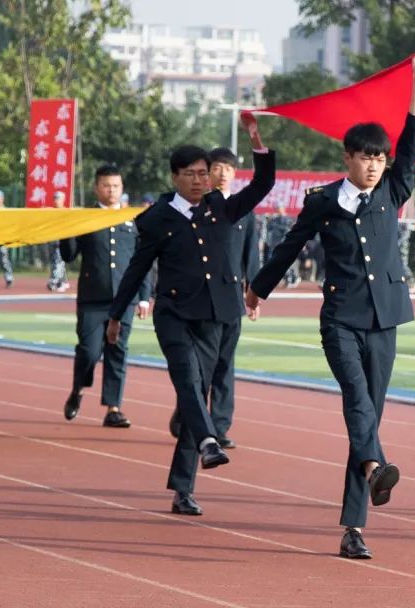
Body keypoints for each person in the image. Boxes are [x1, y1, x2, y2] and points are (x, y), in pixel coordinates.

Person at [246, 52, 415, 559]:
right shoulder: (323, 202)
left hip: (385, 319)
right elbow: (288, 247)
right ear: (347, 157)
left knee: (366, 420)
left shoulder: (393, 189)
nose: (373, 166)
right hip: (340, 321)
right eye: (364, 157)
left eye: (379, 159)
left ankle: (355, 526)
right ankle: (374, 470)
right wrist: (258, 289)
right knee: (358, 402)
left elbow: (413, 143)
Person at [106, 118, 275, 517]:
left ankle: (183, 488)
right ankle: (208, 442)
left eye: (204, 173)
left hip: (214, 316)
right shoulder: (156, 218)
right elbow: (136, 270)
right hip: (174, 315)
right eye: (191, 174)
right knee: (188, 381)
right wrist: (116, 316)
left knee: (195, 395)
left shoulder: (221, 206)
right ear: (175, 177)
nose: (199, 181)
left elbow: (263, 185)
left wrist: (256, 140)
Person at [169, 147, 261, 449]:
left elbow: (250, 253)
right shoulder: (197, 208)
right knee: (198, 366)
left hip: (232, 299)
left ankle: (219, 427)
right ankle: (188, 411)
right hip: (200, 299)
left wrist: (254, 292)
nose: (222, 174)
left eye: (228, 169)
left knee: (225, 363)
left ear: (235, 173)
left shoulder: (243, 209)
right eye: (217, 168)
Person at [60, 165, 150, 428]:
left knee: (117, 351)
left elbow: (143, 260)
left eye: (116, 186)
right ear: (96, 188)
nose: (112, 191)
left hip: (124, 299)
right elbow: (68, 255)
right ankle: (78, 388)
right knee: (88, 351)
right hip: (93, 297)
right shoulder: (86, 218)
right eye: (106, 186)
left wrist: (144, 296)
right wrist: (67, 227)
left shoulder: (133, 219)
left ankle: (114, 408)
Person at [47, 191, 70, 292]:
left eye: (58, 198)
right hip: (52, 240)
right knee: (55, 261)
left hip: (62, 241)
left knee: (58, 261)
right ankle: (63, 281)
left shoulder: (66, 212)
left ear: (63, 199)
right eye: (55, 198)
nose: (56, 201)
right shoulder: (51, 212)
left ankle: (54, 281)